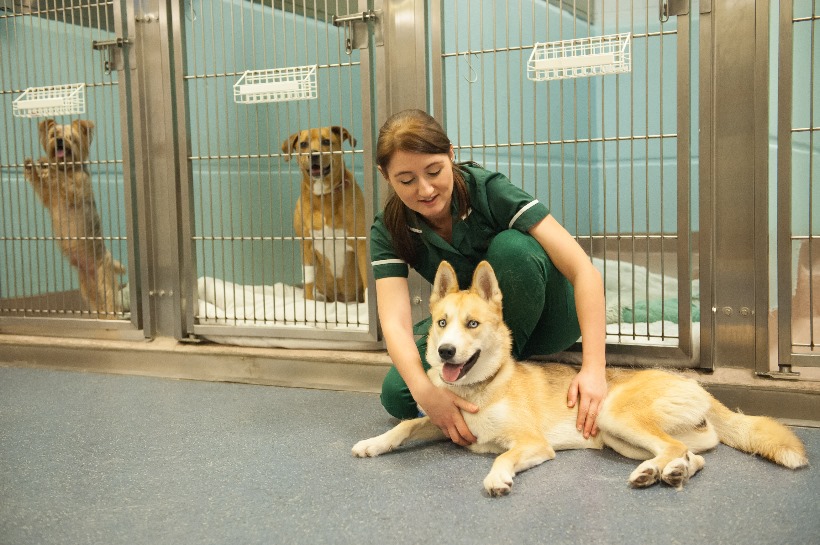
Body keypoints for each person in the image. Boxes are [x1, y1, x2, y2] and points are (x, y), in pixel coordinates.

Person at [370, 109, 607, 446]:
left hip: (546, 317)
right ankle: (490, 386)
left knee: (513, 250)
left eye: (434, 171)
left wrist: (594, 369)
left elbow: (583, 270)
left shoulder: (490, 190)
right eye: (406, 180)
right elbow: (393, 321)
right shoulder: (388, 228)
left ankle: (506, 386)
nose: (425, 189)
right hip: (472, 331)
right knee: (399, 394)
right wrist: (426, 392)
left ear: (451, 154)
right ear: (385, 174)